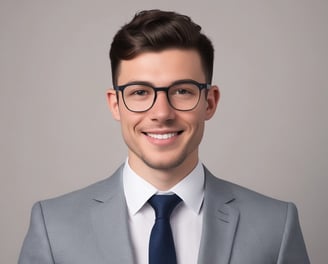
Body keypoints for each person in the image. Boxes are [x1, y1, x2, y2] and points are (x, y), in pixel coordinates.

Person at [19, 9, 310, 264]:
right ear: (115, 104)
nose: (162, 113)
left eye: (182, 91)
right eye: (140, 92)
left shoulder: (276, 225)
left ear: (209, 102)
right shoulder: (53, 227)